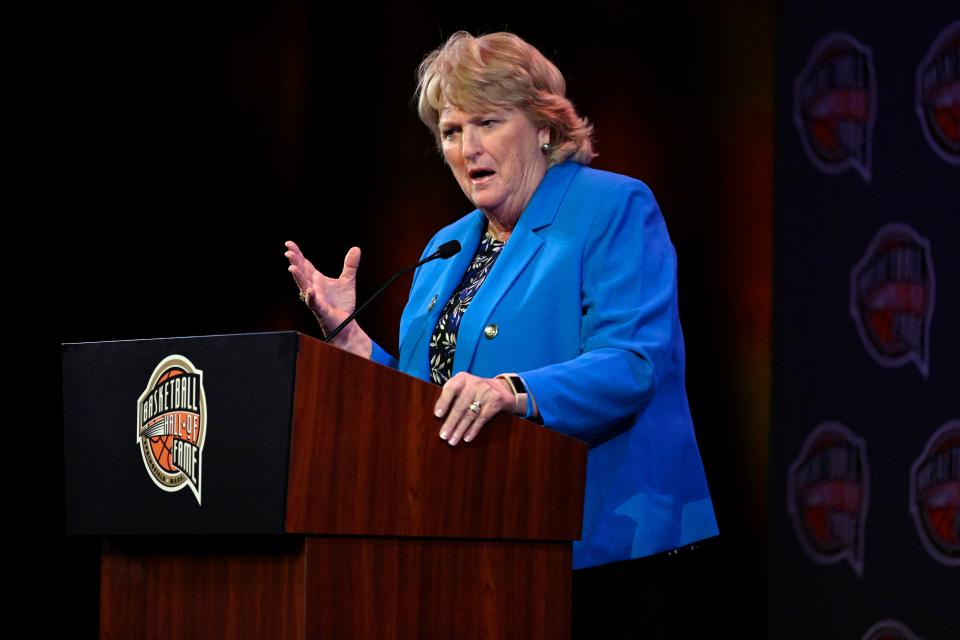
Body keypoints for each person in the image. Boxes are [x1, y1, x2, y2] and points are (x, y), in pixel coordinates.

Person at [285, 31, 719, 637]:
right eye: (451, 131)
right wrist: (353, 344)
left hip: (606, 548)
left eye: (487, 121)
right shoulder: (446, 246)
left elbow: (632, 363)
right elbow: (427, 401)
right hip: (476, 550)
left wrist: (513, 391)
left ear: (545, 126)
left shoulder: (611, 206)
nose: (468, 148)